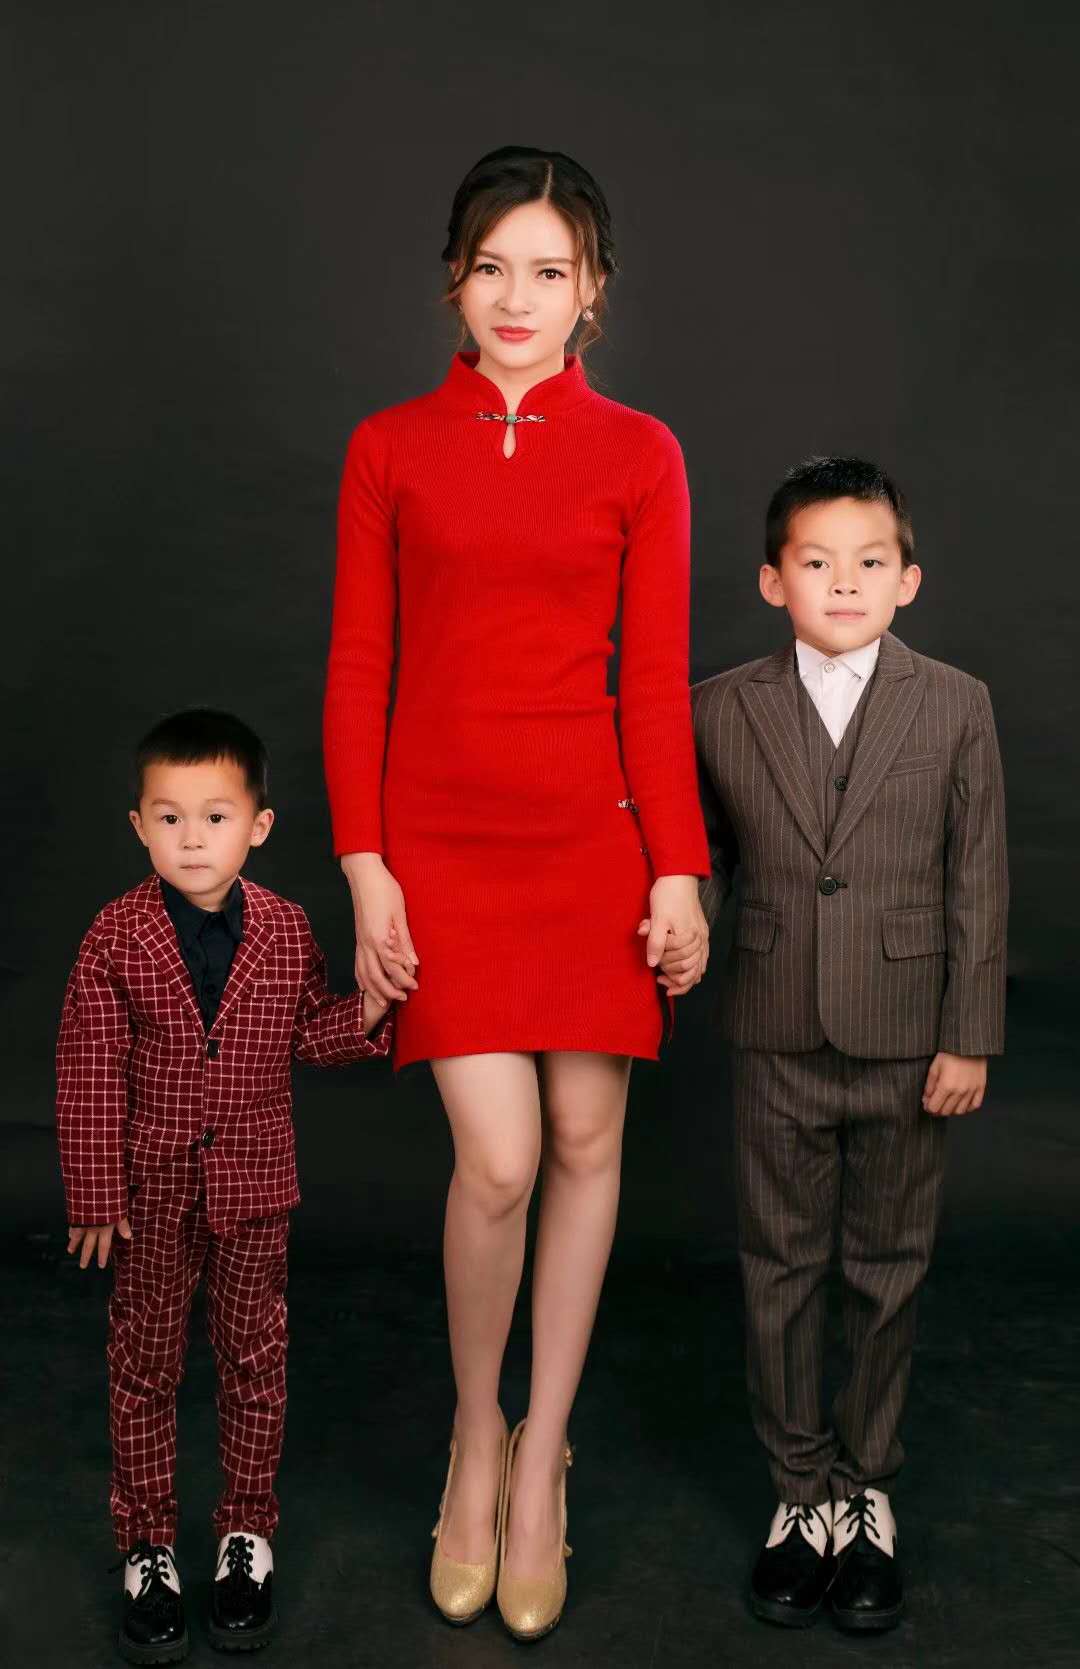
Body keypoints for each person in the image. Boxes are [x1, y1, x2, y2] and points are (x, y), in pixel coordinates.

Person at [323, 145, 710, 1639]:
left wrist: (676, 868)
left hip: (590, 846)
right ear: (454, 278)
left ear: (593, 290)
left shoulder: (641, 452)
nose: (517, 297)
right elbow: (360, 670)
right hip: (442, 847)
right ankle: (474, 1434)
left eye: (549, 270)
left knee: (586, 1137)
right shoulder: (389, 447)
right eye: (492, 266)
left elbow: (656, 686)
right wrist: (367, 869)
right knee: (497, 1159)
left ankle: (544, 1454)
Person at [660, 458, 1008, 1632]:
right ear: (774, 581)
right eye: (816, 562)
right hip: (774, 1026)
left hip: (911, 1037)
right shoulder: (717, 707)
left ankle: (867, 1489)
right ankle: (798, 1490)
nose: (843, 582)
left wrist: (969, 1036)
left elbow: (977, 880)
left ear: (908, 579)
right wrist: (682, 927)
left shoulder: (955, 704)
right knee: (780, 1264)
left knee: (888, 1264)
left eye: (869, 562)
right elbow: (701, 857)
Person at [56, 709, 391, 1664]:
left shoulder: (284, 928)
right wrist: (95, 1192)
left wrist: (372, 1013)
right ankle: (148, 1544)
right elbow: (88, 1066)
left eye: (215, 817)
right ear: (139, 827)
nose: (192, 839)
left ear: (259, 826)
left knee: (254, 1360)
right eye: (170, 818)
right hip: (150, 1198)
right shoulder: (115, 935)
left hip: (255, 1192)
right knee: (145, 1367)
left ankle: (246, 1530)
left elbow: (309, 1033)